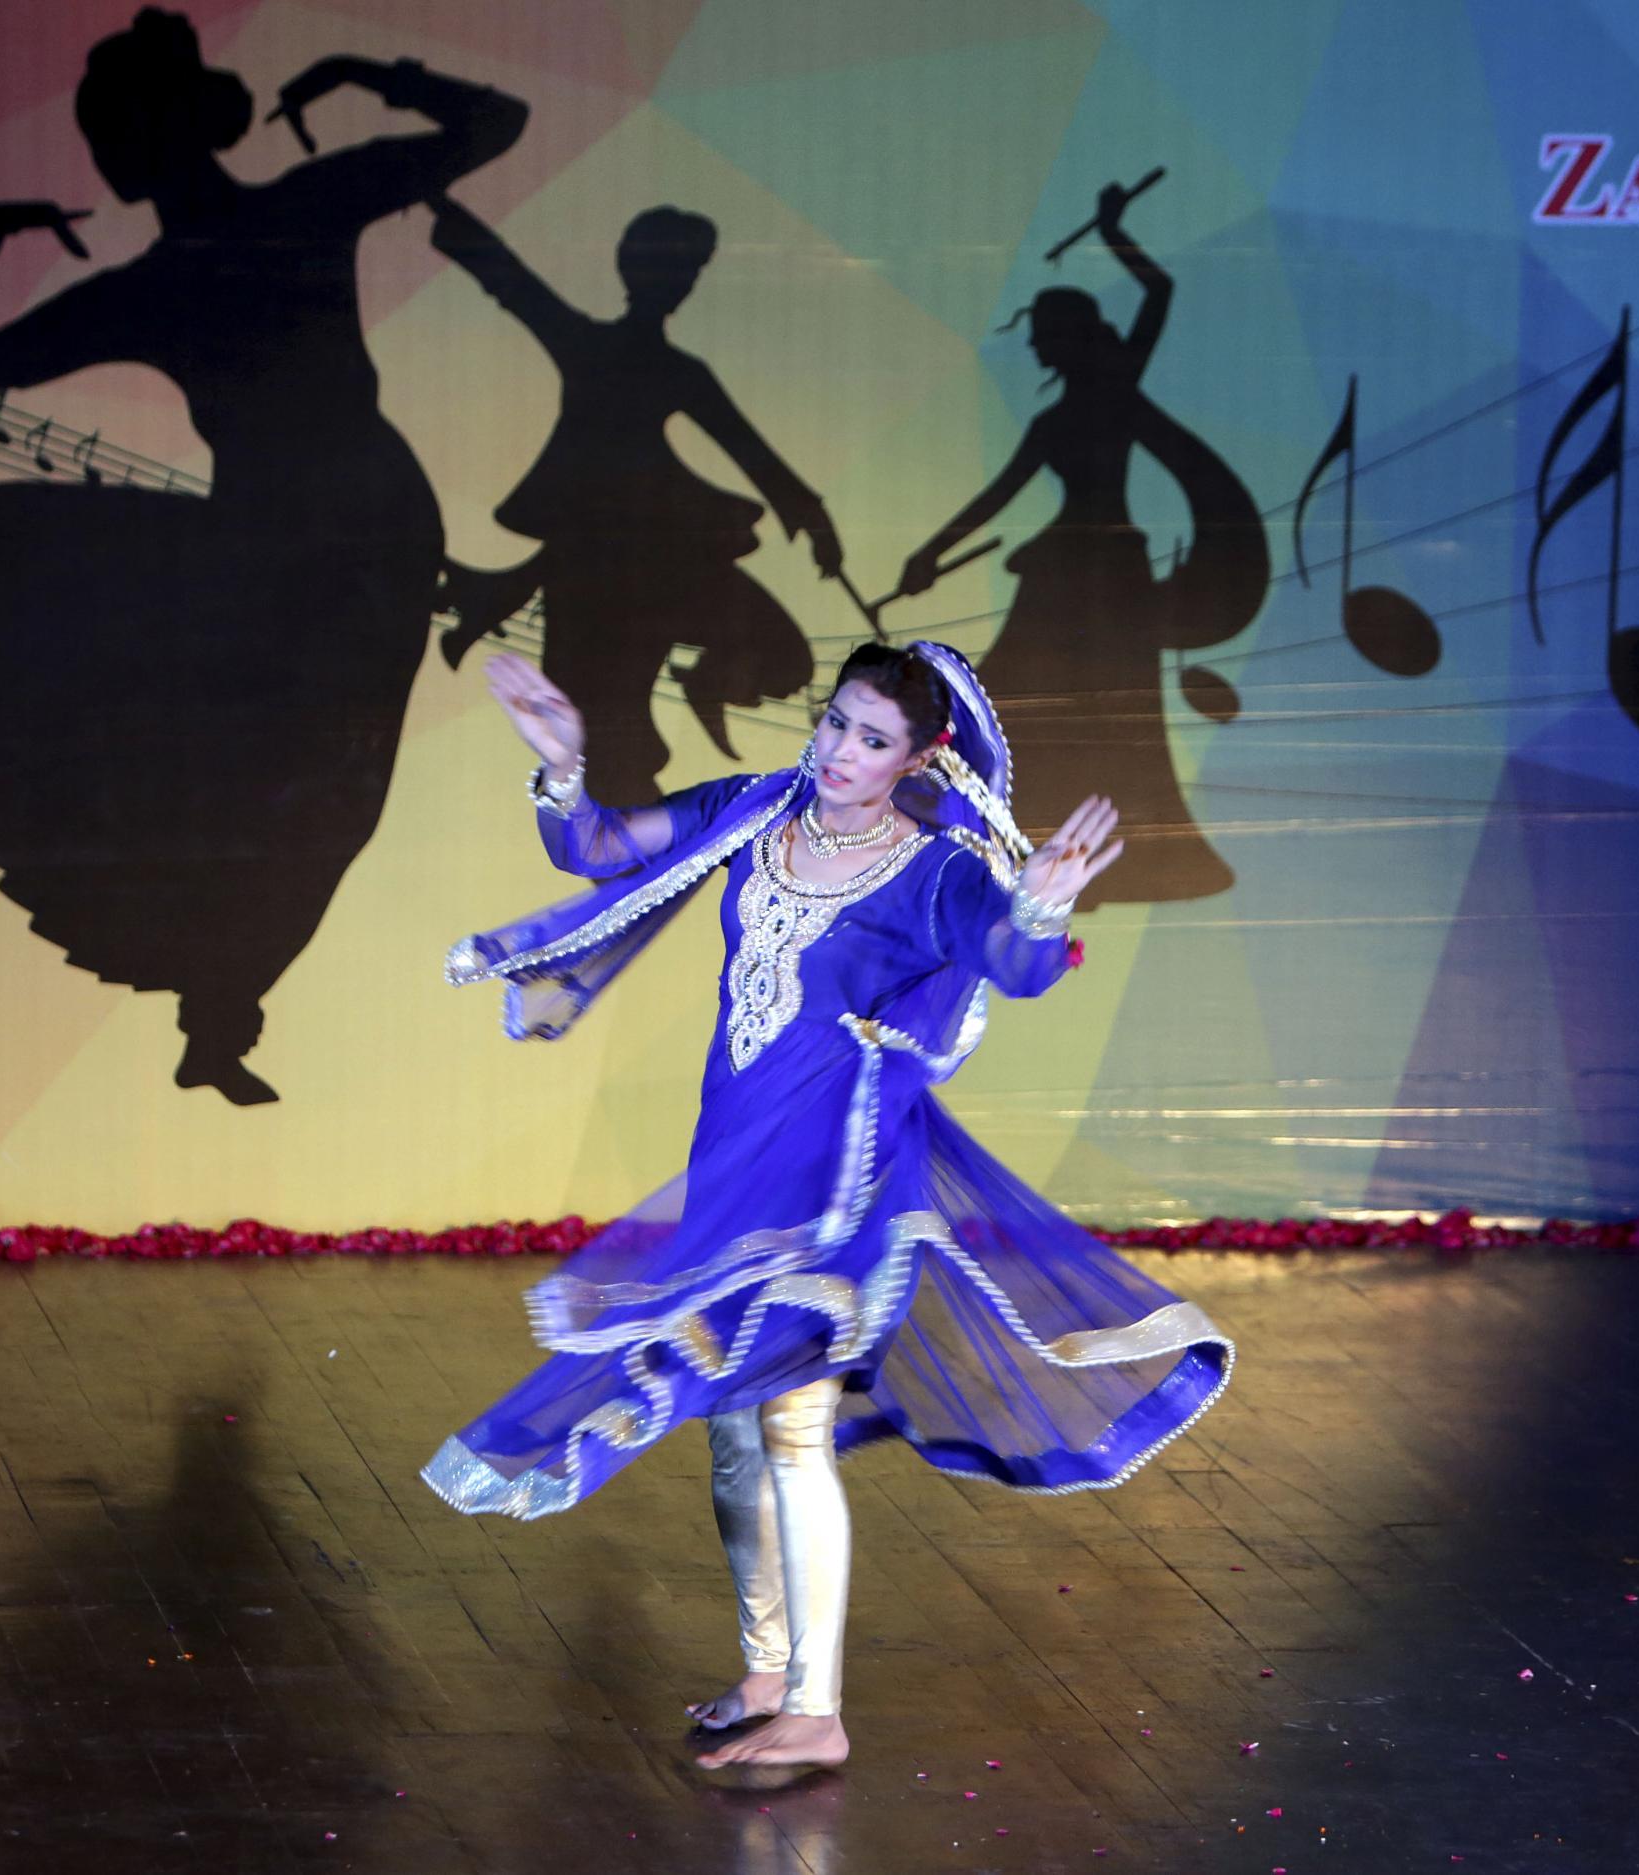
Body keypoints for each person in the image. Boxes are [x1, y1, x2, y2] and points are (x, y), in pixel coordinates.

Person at [426, 642, 1234, 1770]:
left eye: (872, 740)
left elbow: (1011, 961)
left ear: (917, 758)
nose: (840, 753)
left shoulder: (935, 870)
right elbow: (606, 849)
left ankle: (817, 1709)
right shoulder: (760, 809)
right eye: (834, 723)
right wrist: (563, 767)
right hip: (736, 1160)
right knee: (731, 1431)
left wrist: (1040, 908)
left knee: (794, 1427)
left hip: (840, 1170)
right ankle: (766, 1668)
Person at [0, 9, 526, 1104]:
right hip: (288, 535)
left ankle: (222, 1011)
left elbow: (497, 120)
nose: (106, 152)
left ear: (158, 132)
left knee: (326, 787)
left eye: (112, 129)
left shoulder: (267, 225)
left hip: (358, 533)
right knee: (263, 778)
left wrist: (361, 66)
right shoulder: (220, 247)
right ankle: (217, 1008)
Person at [896, 183, 1267, 906]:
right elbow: (996, 497)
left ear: (1066, 337)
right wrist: (930, 554)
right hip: (1069, 571)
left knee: (1083, 708)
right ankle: (1009, 847)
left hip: (1104, 576)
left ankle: (1085, 858)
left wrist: (1111, 229)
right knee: (1009, 700)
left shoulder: (1115, 386)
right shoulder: (1056, 418)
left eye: (1043, 335)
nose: (1034, 345)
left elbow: (1159, 289)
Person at [428, 193, 840, 803]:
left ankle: (699, 689)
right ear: (636, 270)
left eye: (689, 271)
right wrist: (446, 214)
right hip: (594, 573)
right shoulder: (593, 346)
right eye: (674, 268)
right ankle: (625, 863)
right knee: (598, 738)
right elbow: (513, 285)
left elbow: (750, 451)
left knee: (780, 655)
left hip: (658, 562)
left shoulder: (675, 370)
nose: (680, 283)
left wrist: (812, 517)